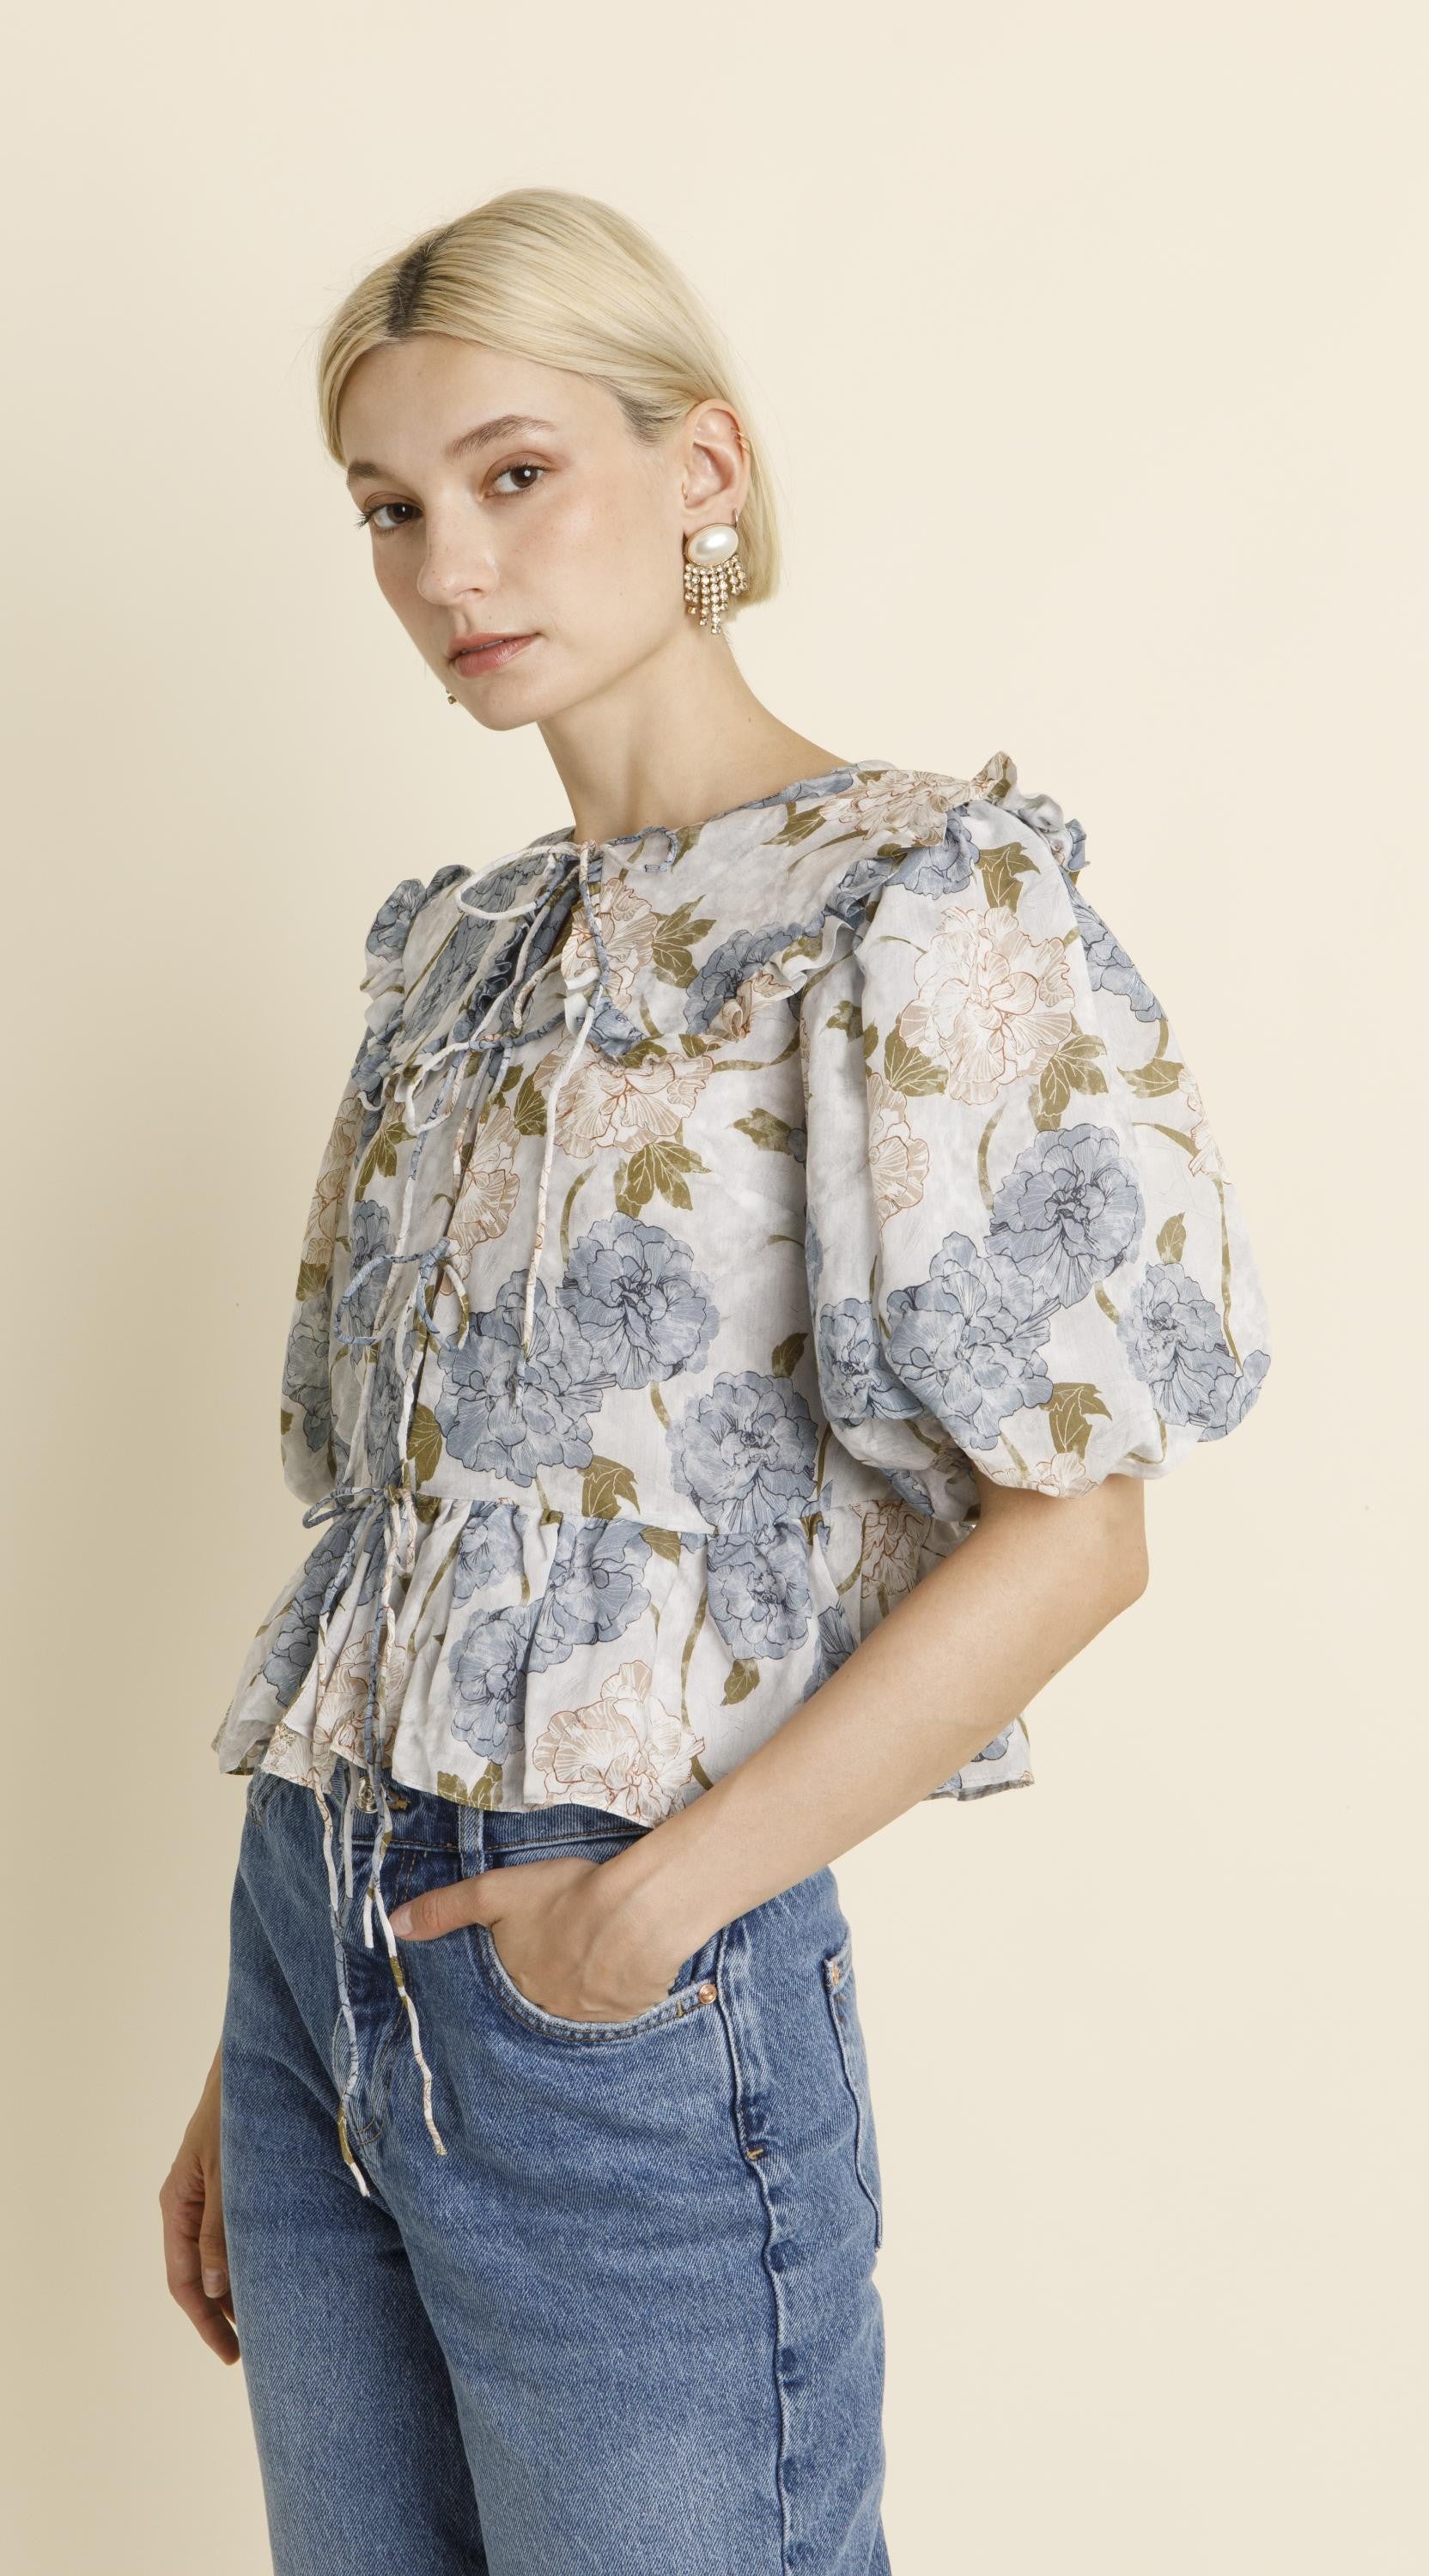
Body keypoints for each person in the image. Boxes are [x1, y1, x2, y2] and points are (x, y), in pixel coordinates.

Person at [158, 187, 1271, 2576]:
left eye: (515, 472)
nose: (450, 563)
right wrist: (285, 2046)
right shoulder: (458, 955)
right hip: (319, 1956)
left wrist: (643, 1917)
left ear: (706, 466)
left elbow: (1080, 1528)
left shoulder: (917, 902)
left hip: (614, 1975)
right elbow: (400, 1543)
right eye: (389, 509)